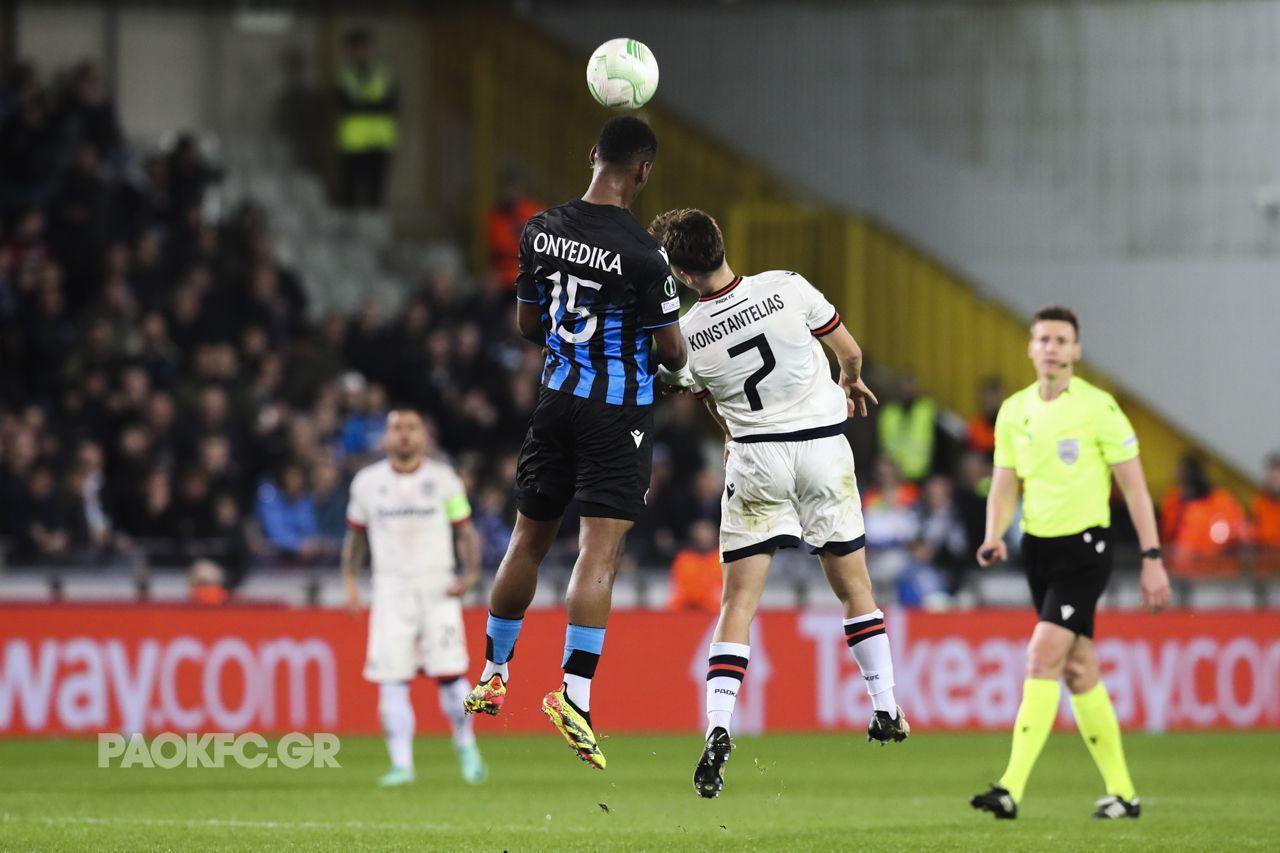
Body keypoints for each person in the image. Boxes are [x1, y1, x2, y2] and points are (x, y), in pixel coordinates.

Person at [649, 207, 906, 800]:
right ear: (721, 243)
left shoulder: (687, 338)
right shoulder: (787, 286)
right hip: (822, 449)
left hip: (756, 456)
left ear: (683, 275)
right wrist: (850, 378)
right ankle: (886, 706)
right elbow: (850, 349)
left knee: (738, 602)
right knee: (854, 589)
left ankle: (717, 727)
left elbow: (701, 393)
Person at [462, 116, 687, 771]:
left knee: (526, 540)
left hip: (555, 400)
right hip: (615, 413)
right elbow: (670, 348)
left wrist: (574, 348)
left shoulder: (538, 230)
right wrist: (661, 367)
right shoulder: (647, 254)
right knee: (598, 553)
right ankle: (575, 695)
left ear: (592, 155)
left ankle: (493, 671)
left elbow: (529, 322)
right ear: (643, 171)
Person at [970, 305, 1171, 821]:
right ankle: (1124, 795)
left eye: (1062, 339)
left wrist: (1152, 557)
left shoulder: (1100, 408)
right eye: (1044, 339)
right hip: (1038, 549)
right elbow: (1004, 482)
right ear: (1031, 348)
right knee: (1079, 668)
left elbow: (1135, 488)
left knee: (1042, 655)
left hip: (1087, 548)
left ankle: (1010, 787)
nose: (1053, 347)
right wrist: (995, 534)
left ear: (1077, 350)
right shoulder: (1015, 411)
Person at [342, 409, 485, 786]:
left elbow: (465, 530)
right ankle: (402, 764)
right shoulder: (367, 483)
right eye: (395, 429)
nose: (403, 435)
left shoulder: (443, 480)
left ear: (423, 436)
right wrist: (350, 580)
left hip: (437, 586)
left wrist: (470, 573)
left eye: (410, 428)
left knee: (451, 675)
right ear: (386, 437)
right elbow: (355, 536)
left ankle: (466, 745)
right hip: (390, 589)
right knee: (392, 677)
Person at [335, 27, 398, 209]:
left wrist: (362, 104)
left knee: (376, 189)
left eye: (364, 47)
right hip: (353, 141)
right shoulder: (345, 76)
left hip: (380, 140)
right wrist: (372, 104)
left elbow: (392, 105)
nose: (361, 52)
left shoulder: (384, 74)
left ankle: (373, 228)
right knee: (350, 187)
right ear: (349, 51)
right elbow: (344, 104)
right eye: (356, 48)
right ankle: (351, 228)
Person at [667, 519, 722, 613]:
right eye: (700, 535)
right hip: (686, 603)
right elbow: (679, 583)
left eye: (707, 535)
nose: (703, 538)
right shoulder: (684, 558)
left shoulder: (721, 558)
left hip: (713, 605)